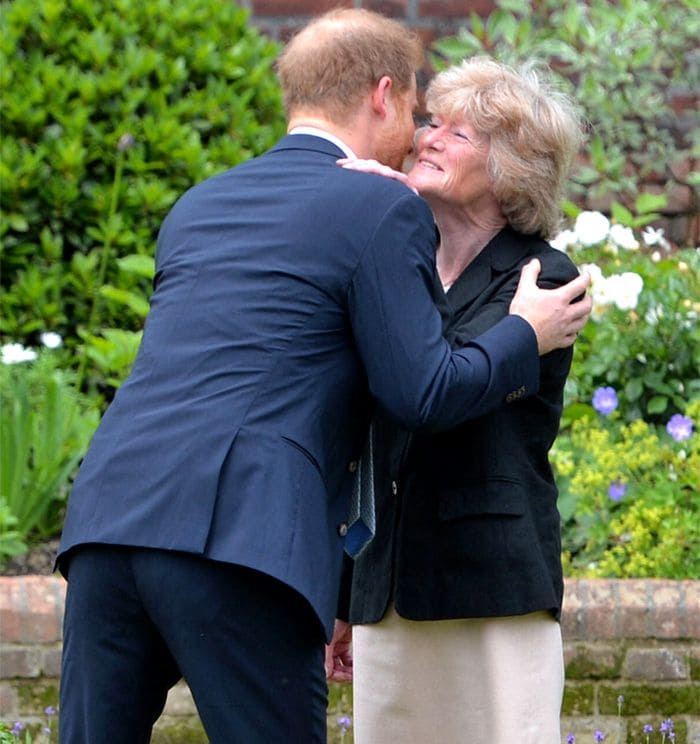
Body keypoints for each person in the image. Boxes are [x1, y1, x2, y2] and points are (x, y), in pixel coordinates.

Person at [57, 10, 591, 743]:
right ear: (382, 96)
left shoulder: (201, 204)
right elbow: (423, 390)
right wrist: (522, 334)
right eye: (417, 110)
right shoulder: (376, 208)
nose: (423, 134)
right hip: (239, 538)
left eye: (451, 129)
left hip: (107, 519)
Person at [333, 57, 586, 743]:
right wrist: (346, 597)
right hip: (389, 594)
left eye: (459, 134)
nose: (426, 139)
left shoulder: (542, 278)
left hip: (491, 591)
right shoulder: (400, 262)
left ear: (512, 169)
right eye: (431, 123)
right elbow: (370, 435)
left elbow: (439, 387)